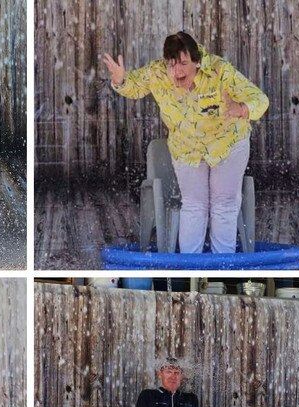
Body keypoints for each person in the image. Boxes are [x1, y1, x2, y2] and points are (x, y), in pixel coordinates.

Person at [103, 31, 269, 254]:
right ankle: (190, 263)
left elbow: (259, 98)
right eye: (172, 64)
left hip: (228, 143)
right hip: (187, 148)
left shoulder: (220, 71)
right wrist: (120, 79)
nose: (177, 71)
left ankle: (223, 264)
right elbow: (134, 87)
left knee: (224, 204)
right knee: (194, 205)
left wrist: (242, 109)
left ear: (197, 61)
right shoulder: (157, 73)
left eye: (183, 63)